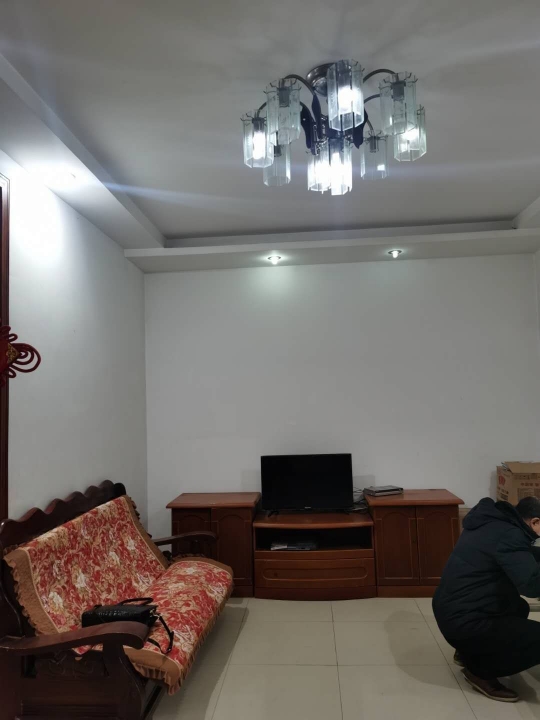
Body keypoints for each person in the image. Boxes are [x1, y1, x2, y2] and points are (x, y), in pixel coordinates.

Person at [433, 495, 540, 703]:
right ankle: (479, 670)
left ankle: (467, 651)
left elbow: (520, 551)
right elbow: (531, 585)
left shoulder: (492, 522)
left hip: (451, 609)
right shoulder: (510, 535)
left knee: (519, 608)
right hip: (464, 622)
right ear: (535, 521)